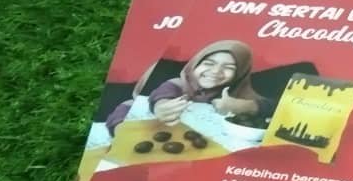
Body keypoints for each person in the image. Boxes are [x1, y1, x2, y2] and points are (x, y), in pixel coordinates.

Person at [105, 40, 273, 134]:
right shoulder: (179, 84)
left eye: (229, 67)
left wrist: (243, 106)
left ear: (241, 73)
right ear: (194, 64)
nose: (216, 71)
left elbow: (273, 107)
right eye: (209, 63)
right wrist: (161, 107)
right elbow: (163, 94)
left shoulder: (237, 92)